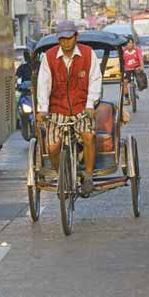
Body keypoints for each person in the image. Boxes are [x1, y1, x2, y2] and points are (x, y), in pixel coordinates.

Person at [36, 20, 102, 194]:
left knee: (88, 136)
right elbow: (43, 84)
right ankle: (61, 176)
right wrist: (42, 109)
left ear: (76, 37)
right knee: (52, 147)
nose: (65, 42)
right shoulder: (49, 57)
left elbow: (95, 80)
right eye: (62, 39)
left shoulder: (88, 55)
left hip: (82, 108)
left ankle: (88, 175)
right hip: (57, 109)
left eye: (69, 38)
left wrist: (90, 105)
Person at [123, 36, 144, 105]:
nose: (130, 44)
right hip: (127, 69)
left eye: (132, 43)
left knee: (141, 80)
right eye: (129, 43)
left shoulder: (137, 50)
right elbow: (121, 61)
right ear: (126, 44)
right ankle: (126, 99)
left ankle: (138, 88)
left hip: (136, 68)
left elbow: (141, 59)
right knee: (125, 82)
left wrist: (141, 67)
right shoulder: (124, 51)